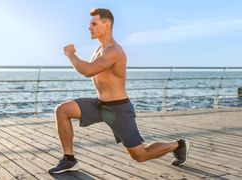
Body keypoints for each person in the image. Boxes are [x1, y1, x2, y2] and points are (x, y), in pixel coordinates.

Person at [48, 8, 190, 174]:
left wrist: (71, 55)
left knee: (140, 154)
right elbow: (90, 68)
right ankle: (69, 160)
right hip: (100, 104)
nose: (90, 27)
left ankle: (179, 145)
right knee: (62, 110)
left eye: (94, 23)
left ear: (106, 25)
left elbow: (88, 71)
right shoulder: (99, 49)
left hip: (118, 108)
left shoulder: (114, 50)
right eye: (89, 24)